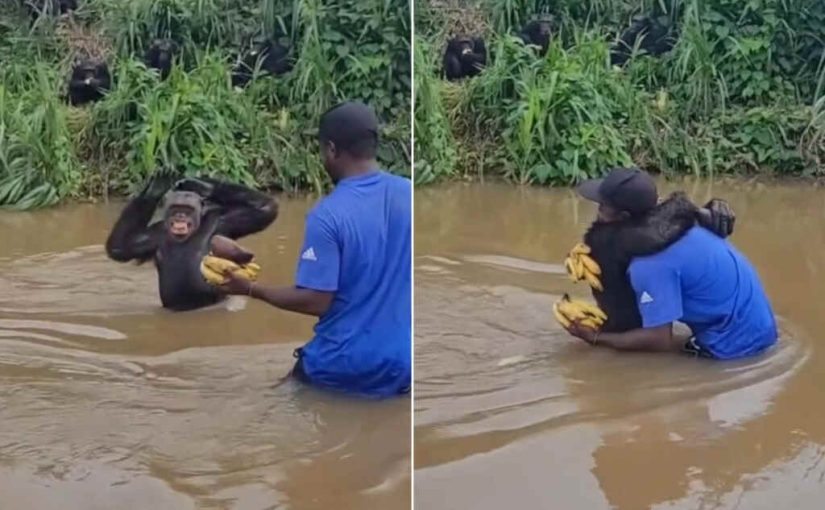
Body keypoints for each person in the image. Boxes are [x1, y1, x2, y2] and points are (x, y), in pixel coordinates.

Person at [218, 101, 411, 398]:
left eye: (322, 150)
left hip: (339, 364)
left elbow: (315, 300)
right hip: (400, 363)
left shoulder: (327, 215)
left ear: (332, 150)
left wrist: (251, 289)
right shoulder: (407, 194)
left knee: (267, 407)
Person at [565, 168, 778, 359]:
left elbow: (659, 340)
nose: (597, 213)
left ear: (623, 216)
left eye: (602, 208)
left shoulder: (648, 265)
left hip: (736, 346)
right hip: (759, 323)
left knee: (633, 364)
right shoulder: (682, 223)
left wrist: (596, 338)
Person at [105, 175, 277, 311]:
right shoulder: (160, 234)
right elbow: (118, 249)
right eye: (175, 212)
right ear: (166, 215)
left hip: (216, 310)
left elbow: (266, 208)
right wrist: (146, 201)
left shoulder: (215, 223)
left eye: (187, 212)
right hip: (172, 316)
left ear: (200, 212)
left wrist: (215, 189)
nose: (180, 216)